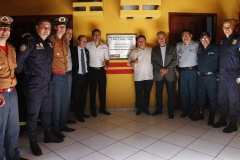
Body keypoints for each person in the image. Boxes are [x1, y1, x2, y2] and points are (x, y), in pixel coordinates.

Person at [16, 18, 63, 156]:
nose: (47, 29)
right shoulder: (29, 41)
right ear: (37, 28)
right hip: (34, 84)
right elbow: (19, 63)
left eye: (48, 27)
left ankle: (48, 135)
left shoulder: (49, 43)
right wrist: (27, 76)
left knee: (47, 111)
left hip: (47, 83)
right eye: (44, 27)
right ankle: (32, 142)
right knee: (33, 114)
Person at [0, 15, 27, 160]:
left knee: (13, 129)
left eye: (7, 29)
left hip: (12, 92)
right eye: (2, 28)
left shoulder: (10, 48)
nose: (5, 31)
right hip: (0, 95)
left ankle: (13, 157)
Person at [213, 19, 240, 133]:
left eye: (229, 26)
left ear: (233, 27)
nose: (227, 29)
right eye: (225, 27)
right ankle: (223, 118)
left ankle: (233, 122)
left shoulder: (238, 39)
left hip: (234, 74)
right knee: (222, 98)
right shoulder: (222, 40)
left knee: (234, 99)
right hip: (223, 74)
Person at [50, 17, 75, 137]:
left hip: (65, 75)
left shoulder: (64, 42)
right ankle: (55, 129)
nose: (62, 29)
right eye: (60, 26)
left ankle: (62, 124)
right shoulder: (50, 41)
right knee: (56, 103)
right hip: (55, 76)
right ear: (55, 27)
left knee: (65, 102)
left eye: (64, 27)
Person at [194, 31, 219, 126]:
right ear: (200, 40)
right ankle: (200, 114)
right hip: (200, 76)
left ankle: (211, 116)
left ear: (210, 38)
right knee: (200, 96)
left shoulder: (216, 48)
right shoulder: (198, 48)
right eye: (202, 39)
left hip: (211, 77)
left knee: (212, 97)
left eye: (206, 38)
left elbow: (222, 61)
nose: (204, 40)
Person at [151, 31, 177, 119]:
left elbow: (174, 60)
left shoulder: (172, 48)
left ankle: (171, 112)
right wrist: (161, 69)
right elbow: (153, 61)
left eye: (162, 37)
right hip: (159, 75)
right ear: (157, 39)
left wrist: (166, 69)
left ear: (165, 38)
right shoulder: (154, 49)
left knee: (171, 94)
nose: (161, 39)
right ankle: (159, 109)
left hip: (170, 75)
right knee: (158, 94)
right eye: (159, 37)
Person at [86, 29, 111, 117]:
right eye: (95, 35)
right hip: (91, 70)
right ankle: (93, 109)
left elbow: (107, 59)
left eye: (98, 35)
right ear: (92, 36)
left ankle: (102, 109)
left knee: (102, 90)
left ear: (100, 36)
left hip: (101, 71)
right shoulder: (88, 45)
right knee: (92, 91)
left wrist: (106, 65)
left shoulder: (104, 46)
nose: (97, 36)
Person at [175, 29, 199, 120]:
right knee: (184, 92)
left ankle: (192, 111)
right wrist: (175, 70)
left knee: (193, 91)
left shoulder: (197, 45)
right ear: (181, 37)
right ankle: (185, 111)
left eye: (187, 35)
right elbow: (176, 60)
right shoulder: (178, 46)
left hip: (193, 71)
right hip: (182, 71)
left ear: (191, 36)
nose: (185, 37)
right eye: (183, 35)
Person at [128, 35, 153, 115]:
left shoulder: (151, 50)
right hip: (138, 76)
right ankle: (139, 109)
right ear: (137, 42)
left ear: (145, 41)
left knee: (147, 93)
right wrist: (134, 62)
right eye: (139, 41)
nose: (141, 42)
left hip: (149, 76)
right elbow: (129, 63)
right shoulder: (134, 51)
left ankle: (145, 108)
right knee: (138, 94)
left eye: (142, 41)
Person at [71, 35, 90, 122]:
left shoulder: (86, 51)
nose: (84, 43)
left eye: (86, 41)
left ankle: (82, 112)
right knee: (76, 96)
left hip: (85, 76)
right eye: (82, 41)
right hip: (76, 76)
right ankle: (78, 114)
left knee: (83, 96)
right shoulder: (73, 50)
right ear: (78, 41)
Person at [62, 27, 77, 124]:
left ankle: (66, 118)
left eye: (71, 33)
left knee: (68, 97)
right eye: (68, 33)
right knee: (63, 98)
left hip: (69, 74)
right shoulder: (60, 44)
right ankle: (62, 120)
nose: (70, 35)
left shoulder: (67, 44)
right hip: (62, 75)